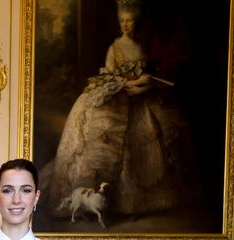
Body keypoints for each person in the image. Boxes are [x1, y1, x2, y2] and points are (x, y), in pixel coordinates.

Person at [44, 0, 195, 218]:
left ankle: (136, 201)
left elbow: (144, 76)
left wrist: (144, 87)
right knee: (108, 140)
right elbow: (110, 79)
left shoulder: (141, 48)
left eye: (130, 21)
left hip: (140, 102)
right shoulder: (114, 47)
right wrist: (132, 85)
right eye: (122, 21)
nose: (125, 25)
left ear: (136, 22)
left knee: (150, 138)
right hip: (116, 99)